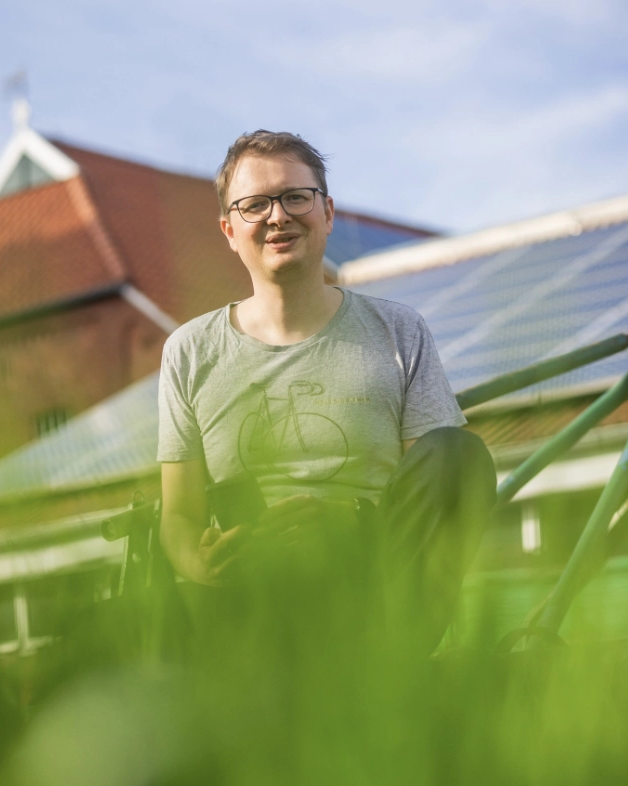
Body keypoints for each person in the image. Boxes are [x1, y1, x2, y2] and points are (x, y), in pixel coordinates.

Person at [157, 130, 495, 654]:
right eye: (255, 205)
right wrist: (197, 559)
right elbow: (178, 515)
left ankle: (390, 666)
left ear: (328, 212)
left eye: (296, 197)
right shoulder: (190, 352)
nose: (277, 217)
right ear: (228, 229)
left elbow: (430, 492)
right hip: (254, 600)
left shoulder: (398, 331)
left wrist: (353, 524)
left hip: (377, 586)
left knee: (458, 452)